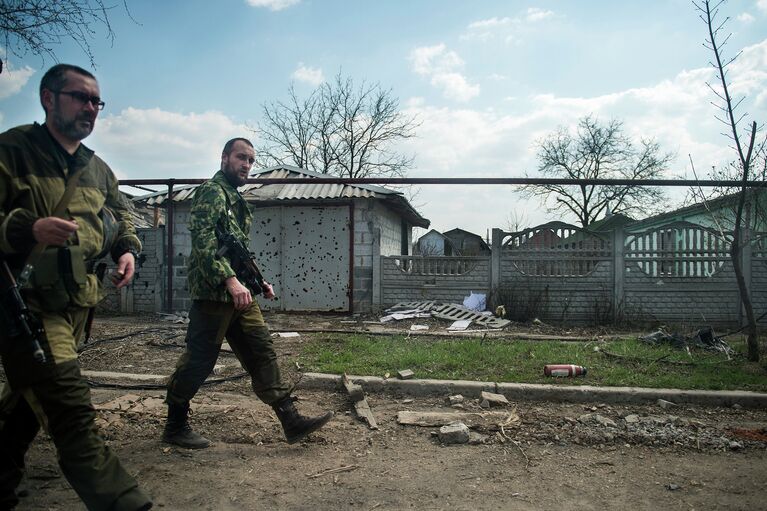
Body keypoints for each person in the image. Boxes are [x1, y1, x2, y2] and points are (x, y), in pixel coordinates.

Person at [0, 64, 153, 509]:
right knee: (70, 409)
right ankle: (125, 503)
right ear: (49, 98)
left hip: (77, 303)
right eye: (80, 97)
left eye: (96, 101)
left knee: (30, 402)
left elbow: (122, 216)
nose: (91, 108)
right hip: (26, 303)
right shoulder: (12, 151)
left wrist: (127, 249)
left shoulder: (98, 169)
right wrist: (26, 228)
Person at [162, 137, 332, 449]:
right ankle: (174, 425)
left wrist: (258, 282)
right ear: (224, 157)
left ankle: (290, 419)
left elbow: (238, 251)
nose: (247, 165)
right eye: (241, 158)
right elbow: (203, 244)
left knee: (261, 349)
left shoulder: (234, 199)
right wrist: (230, 281)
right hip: (215, 294)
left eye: (251, 161)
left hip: (240, 294)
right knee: (200, 360)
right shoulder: (212, 193)